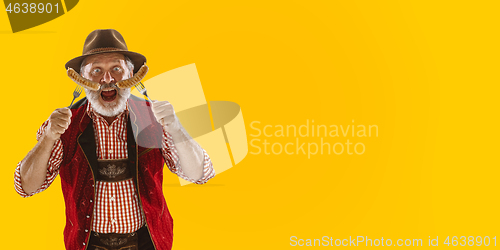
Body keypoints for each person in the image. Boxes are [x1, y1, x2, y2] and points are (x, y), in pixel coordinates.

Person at [14, 29, 215, 250]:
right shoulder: (64, 126)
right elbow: (26, 187)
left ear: (131, 74)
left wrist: (175, 128)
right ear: (82, 79)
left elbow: (199, 174)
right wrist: (48, 137)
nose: (107, 80)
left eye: (116, 69)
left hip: (147, 243)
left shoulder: (154, 118)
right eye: (97, 70)